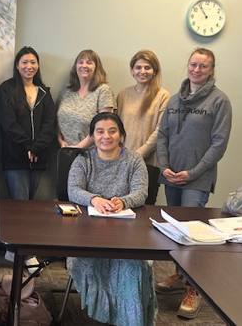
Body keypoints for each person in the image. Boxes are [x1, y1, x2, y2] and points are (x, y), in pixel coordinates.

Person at [155, 47, 232, 319]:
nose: (196, 70)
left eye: (203, 66)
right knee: (176, 232)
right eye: (193, 64)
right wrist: (164, 167)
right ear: (187, 66)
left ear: (211, 70)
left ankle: (194, 289)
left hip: (196, 180)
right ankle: (180, 272)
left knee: (193, 235)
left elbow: (219, 144)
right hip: (171, 176)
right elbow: (162, 135)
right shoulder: (175, 99)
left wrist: (194, 172)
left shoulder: (219, 101)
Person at [66, 112, 157, 326]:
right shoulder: (83, 159)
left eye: (112, 131)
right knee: (87, 261)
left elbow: (140, 192)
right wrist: (95, 199)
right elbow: (73, 190)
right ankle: (101, 312)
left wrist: (123, 202)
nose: (106, 136)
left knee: (134, 266)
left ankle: (129, 318)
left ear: (121, 135)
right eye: (100, 131)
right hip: (88, 231)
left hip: (126, 232)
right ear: (93, 136)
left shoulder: (134, 160)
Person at [0, 46, 56, 200]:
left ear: (38, 65)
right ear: (17, 65)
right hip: (15, 158)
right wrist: (28, 146)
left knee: (30, 205)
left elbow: (50, 122)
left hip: (38, 157)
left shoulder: (43, 92)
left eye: (33, 62)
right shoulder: (6, 89)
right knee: (19, 206)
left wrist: (37, 147)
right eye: (24, 62)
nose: (29, 66)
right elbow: (8, 123)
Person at [116, 50, 170, 205]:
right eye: (138, 67)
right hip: (121, 160)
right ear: (132, 71)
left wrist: (138, 154)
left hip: (149, 164)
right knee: (121, 205)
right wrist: (122, 154)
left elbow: (161, 130)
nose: (142, 71)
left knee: (144, 207)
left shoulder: (163, 95)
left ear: (154, 71)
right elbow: (116, 127)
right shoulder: (123, 94)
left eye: (147, 67)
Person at [57, 49, 115, 149]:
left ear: (96, 68)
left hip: (90, 154)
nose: (84, 66)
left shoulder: (103, 91)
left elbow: (104, 127)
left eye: (89, 63)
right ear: (76, 67)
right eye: (81, 62)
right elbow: (55, 118)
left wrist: (78, 147)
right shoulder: (67, 90)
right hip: (63, 151)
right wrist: (60, 140)